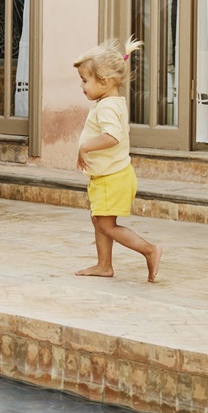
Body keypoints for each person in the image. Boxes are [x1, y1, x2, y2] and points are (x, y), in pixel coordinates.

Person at [72, 36, 162, 283]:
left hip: (113, 178)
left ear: (105, 81)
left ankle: (150, 249)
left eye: (85, 80)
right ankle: (104, 265)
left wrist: (85, 148)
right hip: (107, 176)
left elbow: (112, 136)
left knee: (106, 226)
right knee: (99, 221)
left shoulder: (108, 106)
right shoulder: (109, 102)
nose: (82, 87)